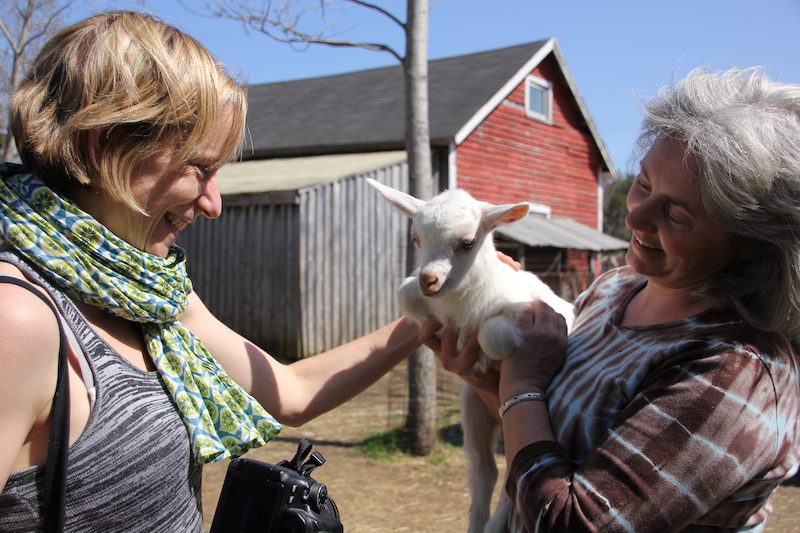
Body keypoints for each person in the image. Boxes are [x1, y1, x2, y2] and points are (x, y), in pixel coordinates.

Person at [0, 11, 422, 531]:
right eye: (198, 170)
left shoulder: (152, 297)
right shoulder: (18, 319)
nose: (213, 203)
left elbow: (292, 392)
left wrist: (429, 314)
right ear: (105, 145)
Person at [425, 67, 800, 531]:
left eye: (676, 214)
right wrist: (484, 373)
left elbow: (573, 523)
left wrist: (519, 382)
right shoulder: (615, 289)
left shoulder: (737, 372)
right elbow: (545, 433)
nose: (637, 217)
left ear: (752, 243)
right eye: (643, 183)